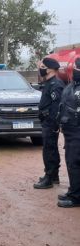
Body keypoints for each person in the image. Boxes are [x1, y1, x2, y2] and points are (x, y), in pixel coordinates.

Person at [34, 57, 65, 189]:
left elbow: (56, 107)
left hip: (50, 123)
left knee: (49, 150)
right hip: (47, 122)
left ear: (51, 70)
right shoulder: (49, 82)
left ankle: (49, 177)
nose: (41, 70)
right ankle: (53, 176)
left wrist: (53, 124)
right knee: (50, 148)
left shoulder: (56, 85)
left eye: (43, 68)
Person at [57, 58, 80, 208]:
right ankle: (74, 191)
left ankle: (76, 197)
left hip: (77, 131)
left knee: (75, 163)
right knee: (72, 163)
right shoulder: (72, 86)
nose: (76, 71)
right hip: (70, 131)